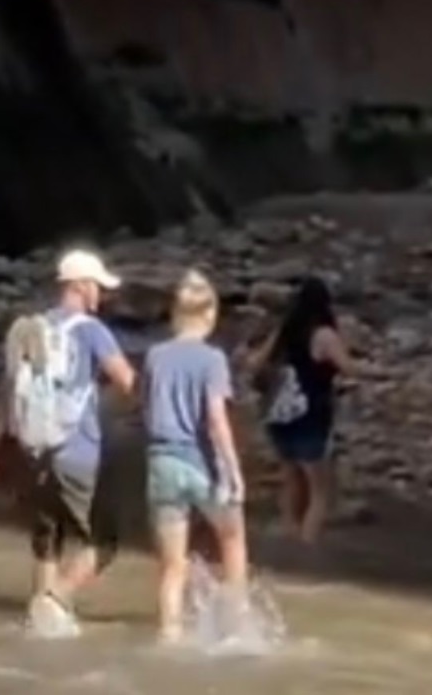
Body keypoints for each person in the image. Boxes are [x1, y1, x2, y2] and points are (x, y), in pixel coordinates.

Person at [0, 248, 136, 637]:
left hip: (35, 451)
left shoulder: (33, 329)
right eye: (98, 286)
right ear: (80, 285)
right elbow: (128, 382)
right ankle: (56, 599)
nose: (102, 295)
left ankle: (38, 621)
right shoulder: (91, 331)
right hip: (76, 451)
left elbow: (5, 396)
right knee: (104, 540)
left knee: (48, 540)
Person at [142, 269, 248, 644]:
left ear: (174, 313)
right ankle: (236, 622)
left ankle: (168, 634)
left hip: (161, 462)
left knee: (172, 565)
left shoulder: (155, 356)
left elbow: (146, 406)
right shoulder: (212, 360)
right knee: (232, 538)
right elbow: (216, 419)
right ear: (210, 314)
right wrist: (234, 471)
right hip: (200, 462)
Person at [247, 275, 380, 546]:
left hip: (278, 414)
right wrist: (379, 371)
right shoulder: (323, 335)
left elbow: (254, 363)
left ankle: (289, 540)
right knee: (320, 492)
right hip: (310, 415)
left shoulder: (283, 331)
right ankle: (308, 551)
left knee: (292, 481)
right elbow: (349, 368)